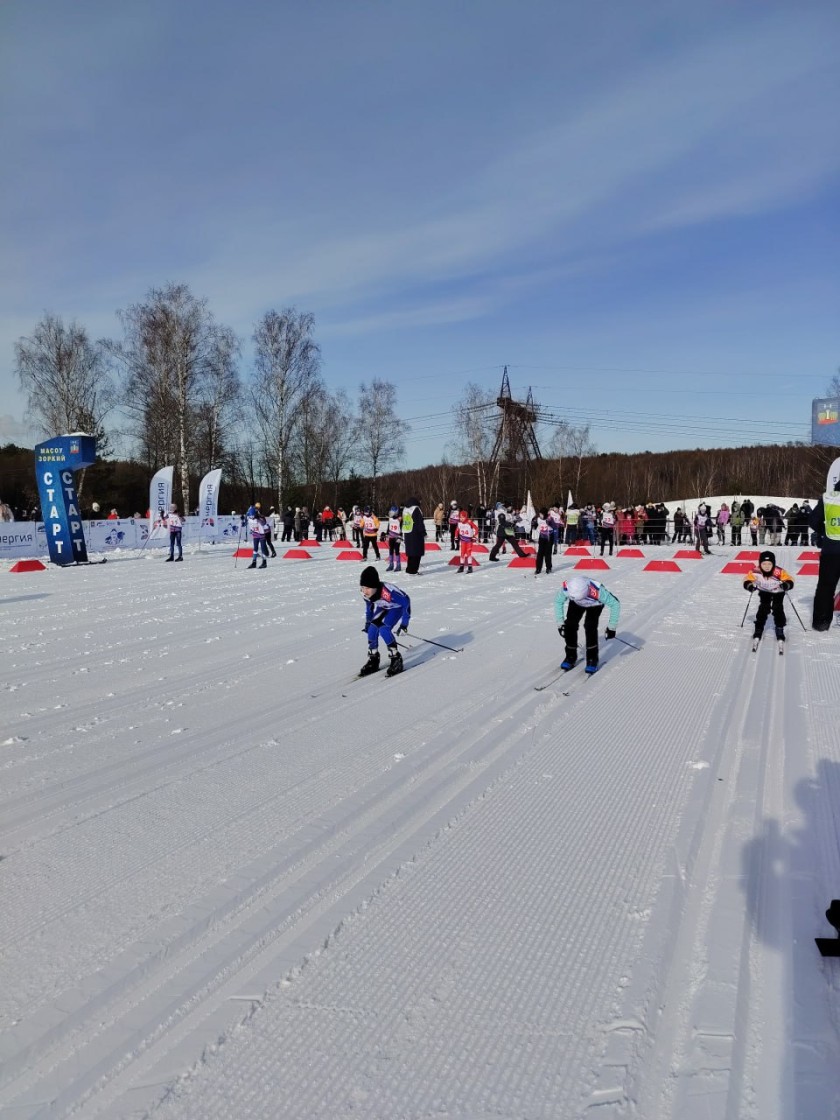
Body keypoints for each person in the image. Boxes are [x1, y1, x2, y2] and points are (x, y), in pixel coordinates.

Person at [555, 575, 621, 674]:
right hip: (576, 603)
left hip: (595, 604)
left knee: (590, 626)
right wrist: (560, 623)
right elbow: (558, 601)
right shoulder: (567, 588)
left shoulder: (598, 591)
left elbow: (615, 603)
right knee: (569, 625)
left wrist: (612, 627)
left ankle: (592, 659)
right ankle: (570, 656)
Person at [358, 565, 411, 677]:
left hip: (396, 608)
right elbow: (370, 607)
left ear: (375, 586)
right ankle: (373, 659)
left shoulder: (388, 591)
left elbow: (406, 602)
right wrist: (368, 622)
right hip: (383, 607)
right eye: (363, 587)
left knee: (384, 629)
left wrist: (404, 625)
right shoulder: (365, 593)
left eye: (367, 588)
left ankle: (396, 658)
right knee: (372, 630)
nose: (364, 591)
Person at [809, 477, 840, 631]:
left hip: (831, 550)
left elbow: (813, 521)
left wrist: (824, 532)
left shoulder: (828, 498)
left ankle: (821, 622)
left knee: (826, 587)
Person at [743, 550, 793, 644]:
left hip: (778, 591)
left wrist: (787, 585)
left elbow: (790, 580)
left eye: (769, 564)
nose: (766, 566)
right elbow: (747, 580)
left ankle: (779, 627)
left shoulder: (779, 572)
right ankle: (759, 627)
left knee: (777, 608)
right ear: (760, 563)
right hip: (764, 591)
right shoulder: (756, 571)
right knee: (764, 607)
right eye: (764, 563)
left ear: (773, 564)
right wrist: (749, 586)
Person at [401, 497, 426, 574]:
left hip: (407, 533)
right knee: (417, 553)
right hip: (416, 534)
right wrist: (423, 532)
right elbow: (419, 522)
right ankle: (413, 571)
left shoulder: (405, 509)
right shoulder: (416, 509)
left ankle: (409, 569)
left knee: (411, 553)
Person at [455, 508, 478, 573]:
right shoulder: (459, 523)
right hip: (462, 540)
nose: (461, 518)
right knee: (462, 553)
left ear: (466, 517)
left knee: (468, 553)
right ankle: (461, 566)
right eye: (460, 517)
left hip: (469, 541)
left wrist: (474, 537)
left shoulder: (469, 522)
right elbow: (457, 530)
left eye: (463, 517)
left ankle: (470, 567)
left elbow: (476, 529)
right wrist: (456, 537)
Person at [534, 508, 553, 574]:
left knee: (547, 553)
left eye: (541, 514)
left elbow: (554, 526)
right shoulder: (538, 519)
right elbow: (535, 524)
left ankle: (548, 567)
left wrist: (549, 522)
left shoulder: (549, 518)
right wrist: (534, 525)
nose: (540, 515)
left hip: (549, 537)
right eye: (540, 514)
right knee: (540, 553)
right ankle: (538, 568)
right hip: (542, 537)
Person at [384, 505, 402, 571]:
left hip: (397, 537)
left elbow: (402, 528)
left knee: (397, 550)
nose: (390, 513)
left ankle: (398, 565)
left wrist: (400, 536)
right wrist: (386, 534)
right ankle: (391, 564)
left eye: (392, 512)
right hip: (391, 536)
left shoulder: (400, 519)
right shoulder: (390, 518)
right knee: (390, 550)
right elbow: (389, 526)